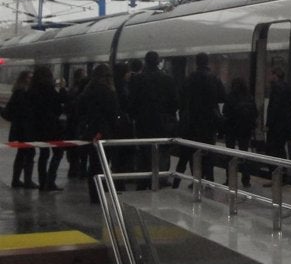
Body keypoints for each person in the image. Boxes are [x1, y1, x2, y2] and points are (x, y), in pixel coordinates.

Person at [127, 51, 179, 186]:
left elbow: (132, 102)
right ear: (158, 62)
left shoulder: (137, 79)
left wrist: (134, 116)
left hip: (143, 123)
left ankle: (143, 180)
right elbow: (174, 103)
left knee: (144, 152)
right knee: (161, 152)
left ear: (145, 61)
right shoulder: (168, 79)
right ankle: (159, 179)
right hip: (162, 123)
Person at [175, 52, 226, 184]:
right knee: (209, 150)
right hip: (209, 121)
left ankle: (196, 179)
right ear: (207, 62)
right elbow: (222, 96)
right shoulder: (214, 78)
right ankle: (209, 178)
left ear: (197, 62)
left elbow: (181, 98)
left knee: (194, 152)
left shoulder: (189, 78)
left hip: (193, 121)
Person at [75, 64, 120, 203]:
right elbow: (113, 114)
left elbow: (78, 108)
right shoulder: (108, 92)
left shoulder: (88, 91)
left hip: (91, 131)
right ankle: (100, 193)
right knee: (103, 164)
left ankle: (94, 194)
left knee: (94, 165)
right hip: (104, 132)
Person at [28, 65, 65, 191]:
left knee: (44, 155)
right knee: (58, 153)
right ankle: (50, 181)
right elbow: (58, 107)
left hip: (38, 127)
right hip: (52, 127)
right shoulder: (50, 90)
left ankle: (42, 182)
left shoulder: (31, 90)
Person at [223, 76, 257, 188]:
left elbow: (225, 112)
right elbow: (255, 113)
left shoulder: (230, 97)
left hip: (231, 129)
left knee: (230, 155)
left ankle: (230, 179)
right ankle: (246, 180)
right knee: (244, 154)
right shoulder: (249, 97)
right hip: (245, 130)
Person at [4, 70, 35, 189]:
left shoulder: (17, 91)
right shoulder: (23, 92)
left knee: (21, 154)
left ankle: (16, 179)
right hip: (25, 128)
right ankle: (27, 180)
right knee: (29, 154)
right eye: (29, 78)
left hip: (19, 128)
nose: (30, 80)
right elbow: (25, 110)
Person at [265, 65, 291, 163]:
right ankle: (282, 168)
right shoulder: (287, 87)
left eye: (270, 75)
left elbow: (274, 108)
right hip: (286, 124)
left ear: (275, 76)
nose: (268, 77)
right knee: (281, 147)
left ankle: (276, 171)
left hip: (277, 126)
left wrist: (268, 124)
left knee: (274, 149)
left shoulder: (276, 88)